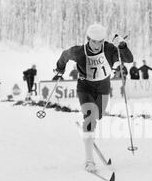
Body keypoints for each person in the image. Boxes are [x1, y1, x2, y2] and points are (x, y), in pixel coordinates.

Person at [54, 23, 133, 173]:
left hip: (103, 87)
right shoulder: (79, 52)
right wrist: (60, 68)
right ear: (88, 39)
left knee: (98, 116)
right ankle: (89, 160)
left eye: (100, 41)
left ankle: (89, 132)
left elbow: (128, 59)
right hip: (85, 87)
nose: (97, 45)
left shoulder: (109, 49)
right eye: (94, 41)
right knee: (90, 117)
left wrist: (122, 46)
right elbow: (64, 55)